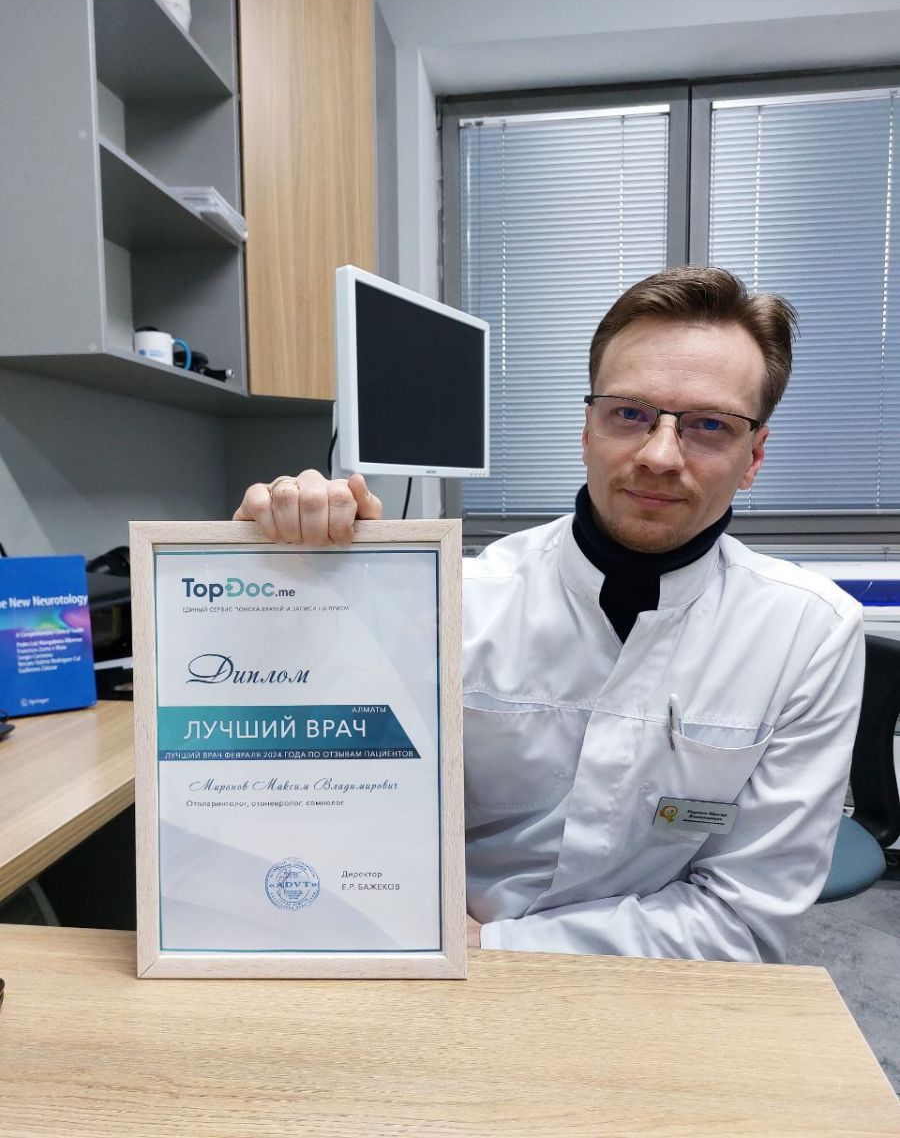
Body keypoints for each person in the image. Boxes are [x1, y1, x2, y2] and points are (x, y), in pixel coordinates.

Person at [234, 266, 864, 963]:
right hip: (436, 964)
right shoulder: (454, 598)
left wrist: (499, 945)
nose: (659, 455)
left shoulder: (808, 633)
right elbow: (319, 800)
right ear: (587, 428)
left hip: (650, 988)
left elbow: (744, 921)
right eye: (629, 413)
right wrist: (283, 589)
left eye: (709, 426)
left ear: (754, 457)